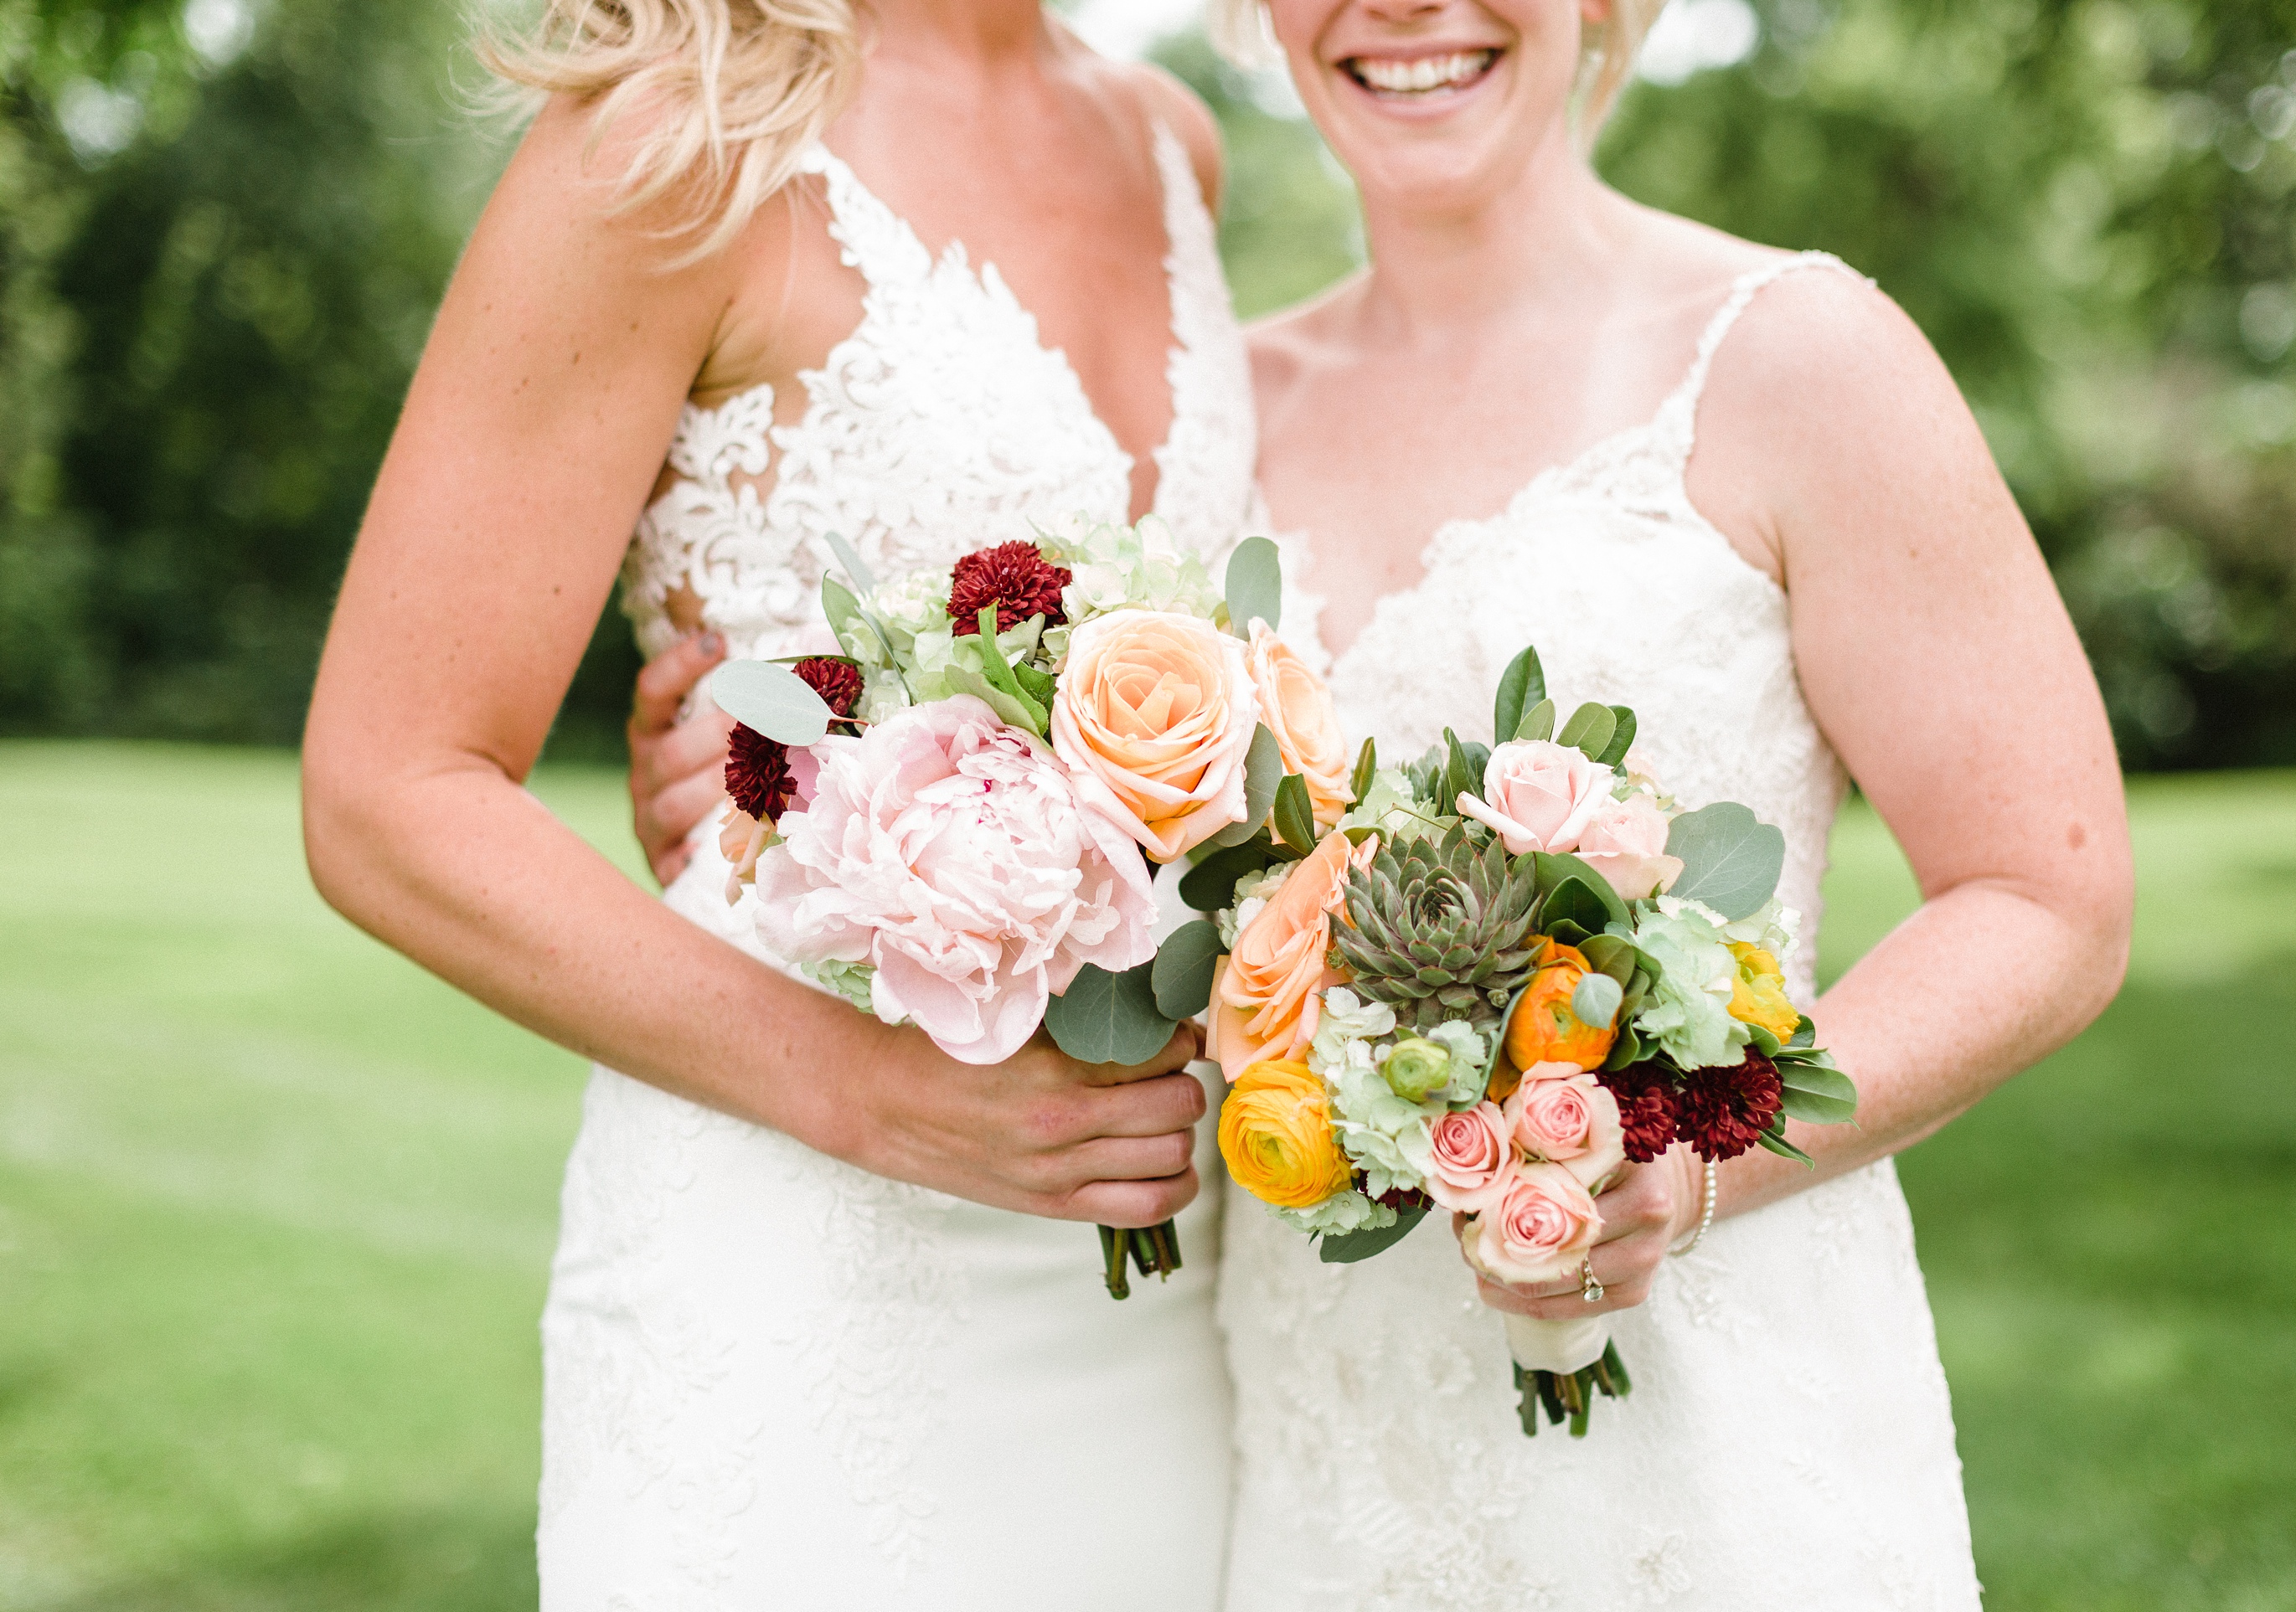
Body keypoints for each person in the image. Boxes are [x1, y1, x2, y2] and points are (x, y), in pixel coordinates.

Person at [623, 1, 2133, 1606]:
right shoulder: (1216, 437)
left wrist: (1688, 1167)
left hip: (1704, 1427)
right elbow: (1067, 785)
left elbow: (2047, 897)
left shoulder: (1799, 358)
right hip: (1316, 1457)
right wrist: (787, 778)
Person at [299, 0, 1256, 1603]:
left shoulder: (1173, 141)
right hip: (800, 1256)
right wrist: (872, 1092)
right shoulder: (681, 128)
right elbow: (385, 793)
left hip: (1150, 1267)